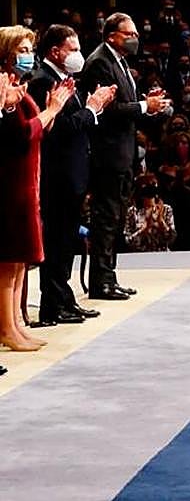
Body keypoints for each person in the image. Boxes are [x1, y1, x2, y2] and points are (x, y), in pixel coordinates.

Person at [27, 25, 115, 327]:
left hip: (72, 173)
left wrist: (95, 107)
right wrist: (91, 109)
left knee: (66, 242)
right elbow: (57, 130)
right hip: (57, 175)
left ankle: (64, 299)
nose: (78, 55)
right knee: (57, 242)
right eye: (73, 49)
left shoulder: (64, 80)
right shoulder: (42, 82)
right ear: (55, 51)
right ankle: (53, 304)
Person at [81, 13, 171, 301]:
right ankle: (101, 282)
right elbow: (107, 110)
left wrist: (148, 103)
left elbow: (124, 105)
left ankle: (109, 277)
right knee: (106, 219)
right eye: (129, 34)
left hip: (122, 153)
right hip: (107, 155)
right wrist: (145, 105)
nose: (135, 38)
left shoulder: (118, 62)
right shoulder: (99, 63)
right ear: (112, 36)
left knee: (115, 219)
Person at [0, 27, 74, 352]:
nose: (29, 53)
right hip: (10, 181)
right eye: (24, 48)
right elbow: (19, 136)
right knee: (9, 257)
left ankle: (16, 321)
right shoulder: (4, 86)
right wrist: (52, 111)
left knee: (20, 260)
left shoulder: (18, 84)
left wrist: (52, 109)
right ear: (7, 52)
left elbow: (37, 130)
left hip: (28, 178)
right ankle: (7, 328)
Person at [124, 174, 177, 252]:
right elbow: (128, 241)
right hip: (140, 256)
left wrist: (161, 221)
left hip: (162, 255)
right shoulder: (132, 211)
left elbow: (171, 239)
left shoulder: (166, 209)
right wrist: (144, 229)